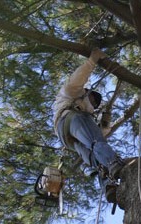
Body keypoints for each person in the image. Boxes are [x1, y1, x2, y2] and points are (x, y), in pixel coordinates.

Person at [53, 48, 124, 203]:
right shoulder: (72, 93)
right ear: (87, 93)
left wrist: (105, 124)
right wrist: (92, 60)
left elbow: (100, 134)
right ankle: (112, 163)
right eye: (92, 100)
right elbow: (79, 78)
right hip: (71, 119)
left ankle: (107, 184)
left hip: (68, 137)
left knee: (95, 157)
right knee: (96, 143)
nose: (92, 104)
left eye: (95, 105)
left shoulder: (86, 112)